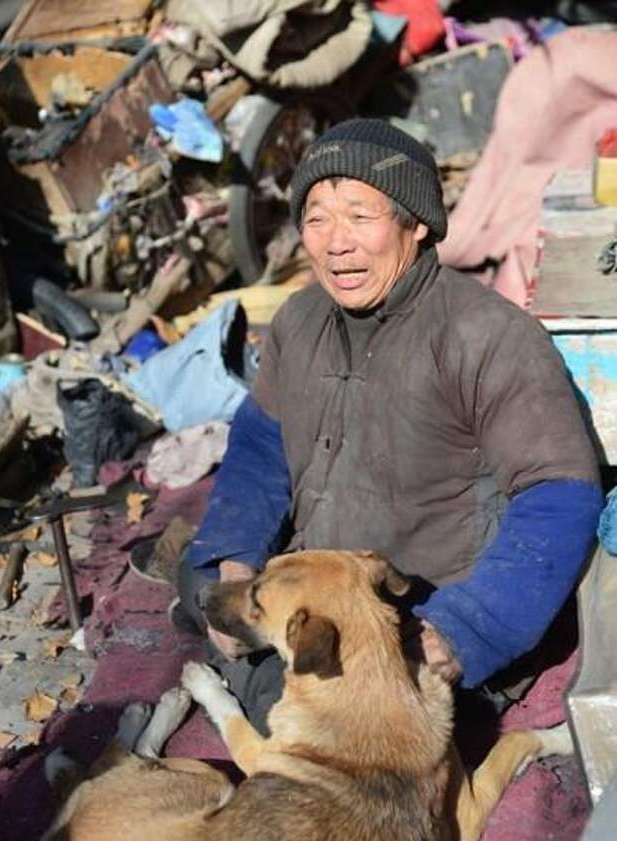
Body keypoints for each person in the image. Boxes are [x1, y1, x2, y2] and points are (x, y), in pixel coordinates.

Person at [174, 118, 603, 734]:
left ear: (416, 222)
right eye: (317, 219)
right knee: (205, 571)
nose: (335, 242)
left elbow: (559, 495)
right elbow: (259, 447)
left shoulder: (488, 336)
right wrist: (237, 561)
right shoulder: (300, 319)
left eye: (359, 216)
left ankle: (259, 684)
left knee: (346, 732)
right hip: (316, 598)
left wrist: (467, 628)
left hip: (418, 618)